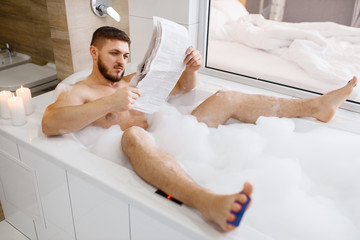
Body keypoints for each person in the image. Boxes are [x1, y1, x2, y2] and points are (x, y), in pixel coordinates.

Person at [42, 26, 357, 232]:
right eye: (114, 54)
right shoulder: (79, 91)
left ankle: (315, 107)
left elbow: (180, 90)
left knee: (226, 97)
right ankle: (207, 202)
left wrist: (191, 69)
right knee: (132, 134)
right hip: (141, 147)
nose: (121, 62)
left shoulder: (129, 79)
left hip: (172, 135)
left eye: (125, 55)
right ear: (94, 52)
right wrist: (109, 103)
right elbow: (50, 123)